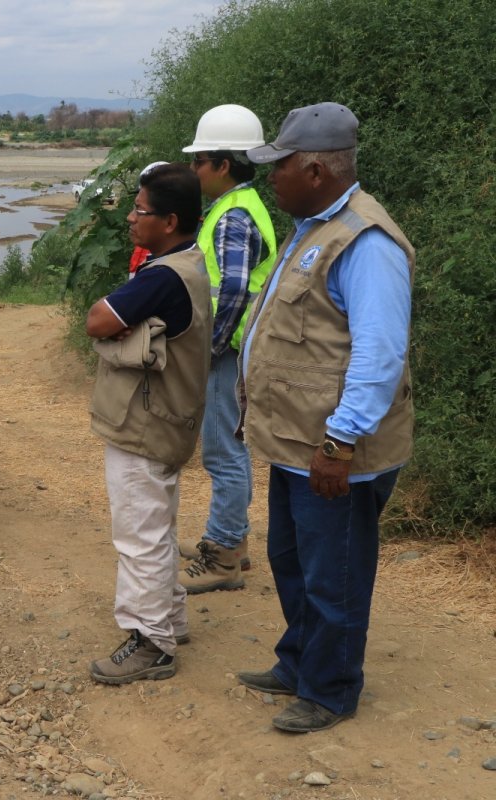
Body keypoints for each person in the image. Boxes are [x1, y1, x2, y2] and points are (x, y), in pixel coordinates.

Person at [236, 103, 414, 733]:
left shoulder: (365, 240)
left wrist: (339, 443)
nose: (270, 178)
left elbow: (379, 353)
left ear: (313, 169)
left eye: (278, 166)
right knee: (291, 560)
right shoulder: (313, 226)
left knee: (333, 574)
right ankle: (299, 663)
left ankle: (331, 689)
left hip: (335, 450)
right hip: (294, 441)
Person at [84, 163, 211, 684]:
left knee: (139, 533)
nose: (132, 219)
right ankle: (171, 620)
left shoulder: (162, 277)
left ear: (170, 219)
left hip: (146, 425)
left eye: (141, 210)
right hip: (165, 420)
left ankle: (152, 642)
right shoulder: (185, 263)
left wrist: (115, 325)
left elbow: (97, 319)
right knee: (156, 527)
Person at [177, 105, 277, 593]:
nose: (194, 171)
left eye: (200, 162)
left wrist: (212, 346)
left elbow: (233, 288)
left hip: (229, 349)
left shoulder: (233, 215)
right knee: (226, 447)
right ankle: (230, 541)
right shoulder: (240, 206)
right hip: (236, 345)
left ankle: (223, 554)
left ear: (222, 164)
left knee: (223, 452)